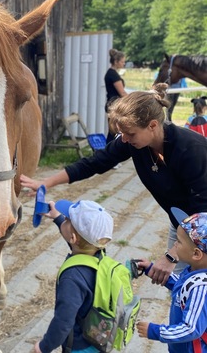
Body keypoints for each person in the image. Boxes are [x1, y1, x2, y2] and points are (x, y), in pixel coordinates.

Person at [20, 83, 207, 286]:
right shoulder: (135, 143)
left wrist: (171, 256)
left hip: (201, 227)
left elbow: (203, 208)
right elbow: (96, 162)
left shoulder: (191, 150)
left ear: (152, 125)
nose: (124, 139)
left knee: (198, 289)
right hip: (182, 224)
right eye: (122, 133)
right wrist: (46, 183)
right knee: (181, 287)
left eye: (130, 133)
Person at [34, 199, 113, 353]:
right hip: (99, 338)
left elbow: (63, 322)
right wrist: (57, 218)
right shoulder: (99, 255)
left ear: (73, 239)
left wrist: (43, 347)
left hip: (79, 347)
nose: (64, 219)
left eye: (67, 219)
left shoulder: (72, 278)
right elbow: (78, 243)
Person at [135, 208, 207, 352]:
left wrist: (155, 331)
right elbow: (184, 288)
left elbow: (191, 329)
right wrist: (151, 270)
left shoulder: (201, 287)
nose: (174, 245)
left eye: (179, 242)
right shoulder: (194, 271)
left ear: (196, 253)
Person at [104, 48, 128, 143]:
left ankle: (109, 151)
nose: (123, 63)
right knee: (114, 131)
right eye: (122, 61)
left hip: (113, 104)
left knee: (114, 130)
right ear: (116, 61)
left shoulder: (112, 73)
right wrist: (134, 100)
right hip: (114, 104)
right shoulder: (113, 75)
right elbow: (122, 93)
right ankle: (108, 152)